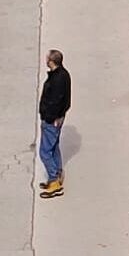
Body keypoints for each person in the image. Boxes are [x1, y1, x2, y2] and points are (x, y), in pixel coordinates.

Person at [38, 48, 72, 199]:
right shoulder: (64, 74)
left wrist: (49, 117)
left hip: (51, 119)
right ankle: (57, 174)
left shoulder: (57, 79)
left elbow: (55, 101)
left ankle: (54, 181)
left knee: (45, 152)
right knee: (53, 147)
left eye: (47, 58)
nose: (46, 60)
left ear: (51, 61)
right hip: (57, 117)